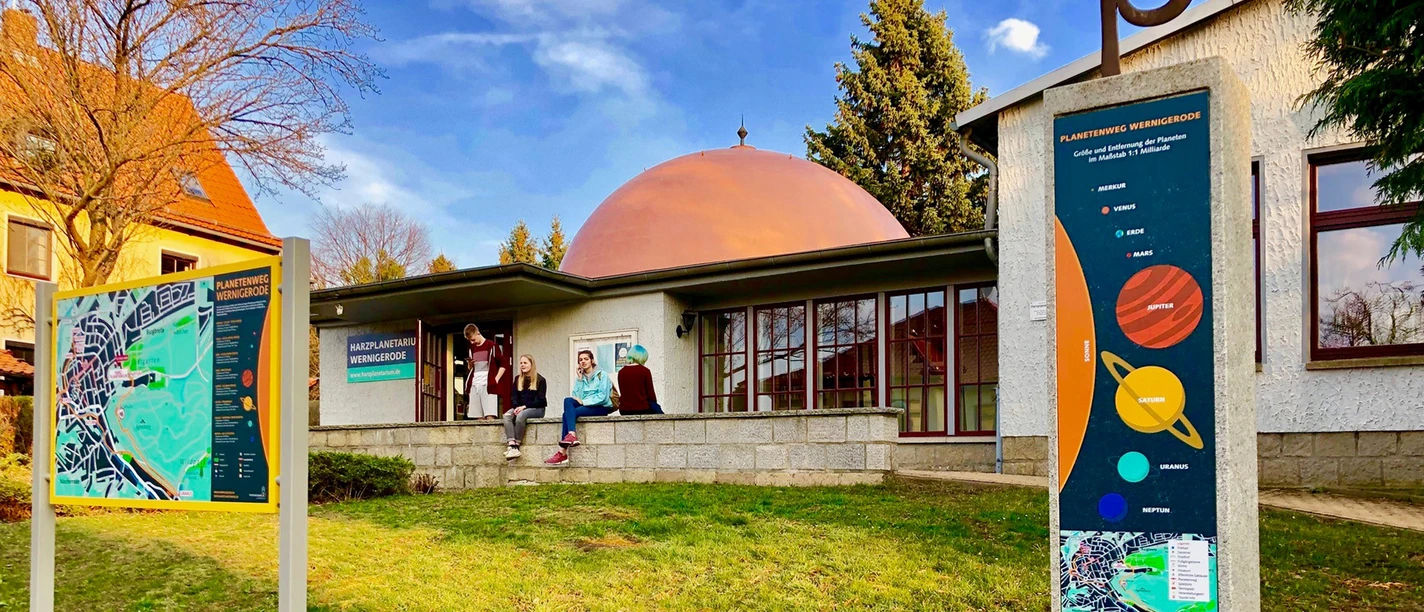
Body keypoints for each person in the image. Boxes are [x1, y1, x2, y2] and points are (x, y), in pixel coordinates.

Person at [545, 349, 613, 466]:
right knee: (568, 401)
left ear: (592, 360)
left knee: (567, 415)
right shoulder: (581, 378)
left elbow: (603, 397)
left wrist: (584, 401)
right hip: (585, 405)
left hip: (601, 407)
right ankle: (571, 435)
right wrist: (580, 379)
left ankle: (562, 452)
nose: (583, 362)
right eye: (580, 360)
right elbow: (576, 397)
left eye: (586, 359)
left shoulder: (602, 375)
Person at [502, 354, 547, 459]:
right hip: (520, 407)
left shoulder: (540, 380)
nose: (522, 365)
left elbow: (540, 400)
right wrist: (516, 407)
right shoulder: (518, 379)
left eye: (525, 363)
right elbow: (514, 397)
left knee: (521, 416)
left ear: (531, 364)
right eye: (521, 363)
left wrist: (524, 407)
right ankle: (511, 443)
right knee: (507, 415)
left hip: (537, 409)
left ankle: (517, 444)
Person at [463, 324, 507, 420]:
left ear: (478, 333)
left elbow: (503, 364)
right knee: (478, 416)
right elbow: (471, 369)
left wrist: (496, 379)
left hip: (488, 384)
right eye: (470, 340)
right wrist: (470, 364)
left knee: (490, 414)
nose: (472, 342)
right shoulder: (472, 348)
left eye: (473, 339)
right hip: (475, 384)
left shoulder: (491, 346)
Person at [616, 345, 662, 415]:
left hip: (624, 410)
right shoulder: (645, 371)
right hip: (643, 408)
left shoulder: (621, 372)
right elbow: (651, 394)